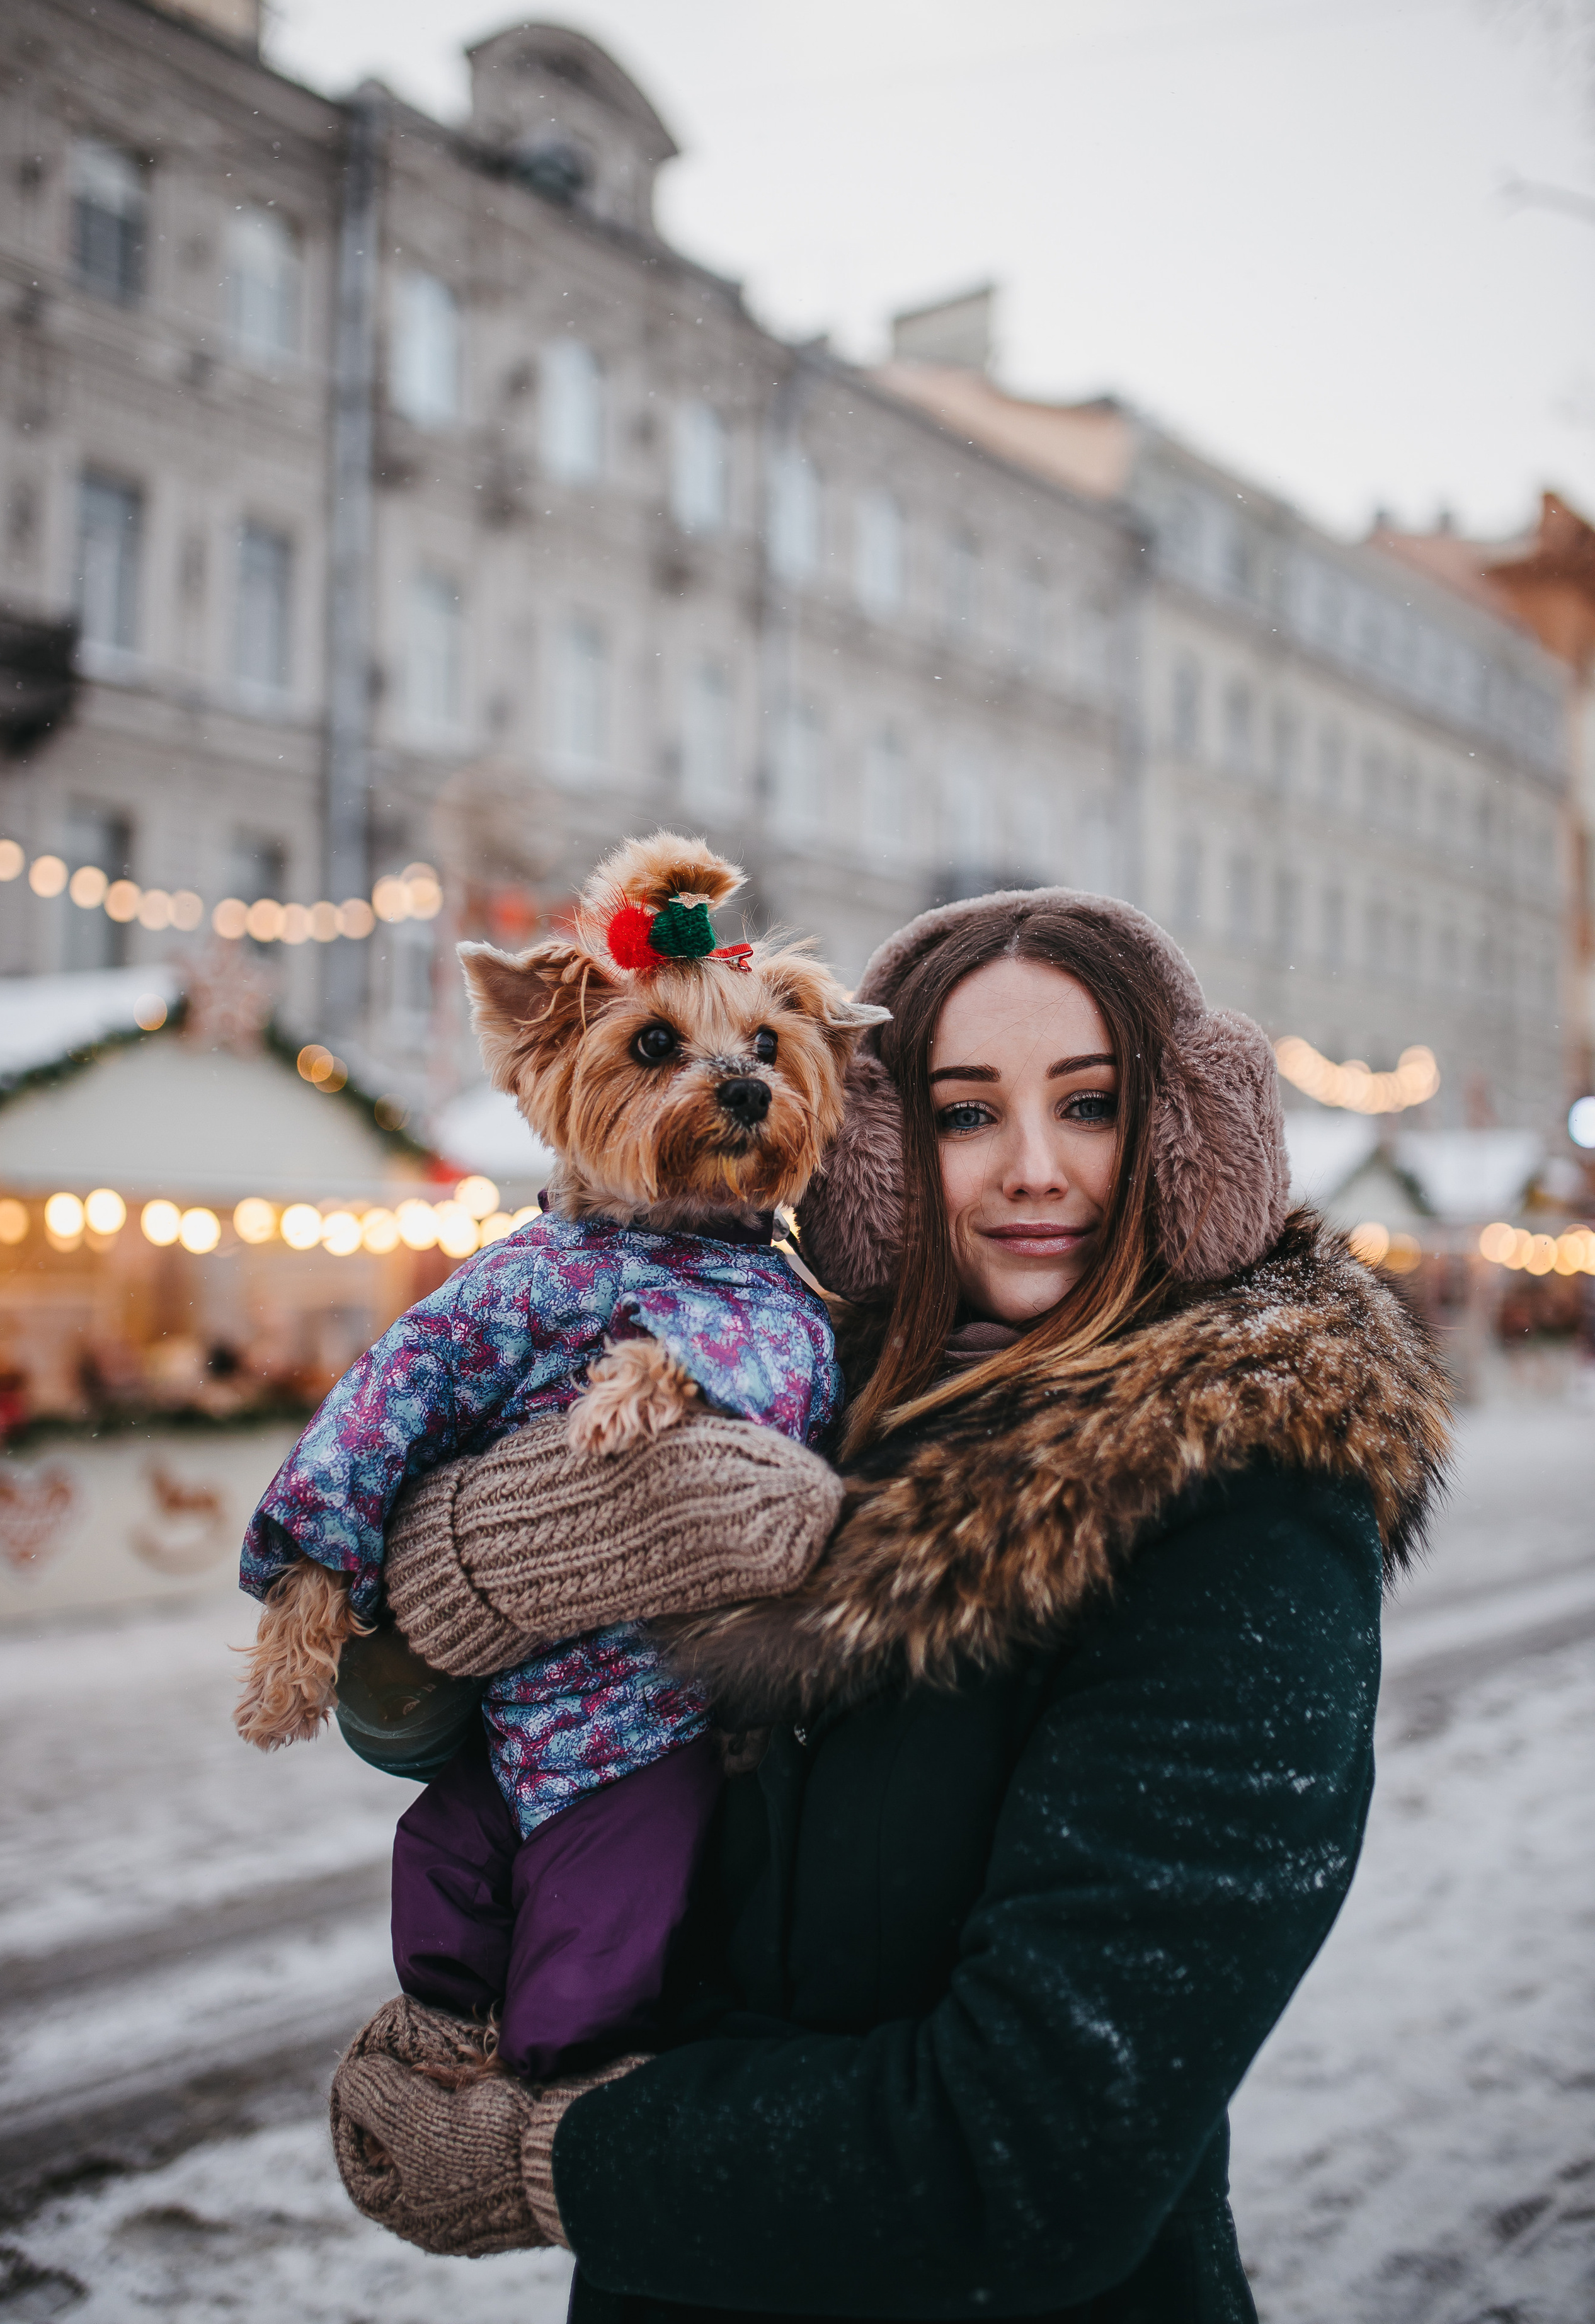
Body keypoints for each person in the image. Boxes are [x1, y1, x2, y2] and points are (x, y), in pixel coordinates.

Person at [330, 886, 1449, 2324]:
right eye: (964, 1113)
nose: (1031, 1171)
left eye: (1093, 1105)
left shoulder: (1239, 1512)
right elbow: (437, 1737)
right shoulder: (775, 1392)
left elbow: (1033, 2150)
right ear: (875, 1151)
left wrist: (552, 2160)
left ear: (1186, 1139)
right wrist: (464, 1580)